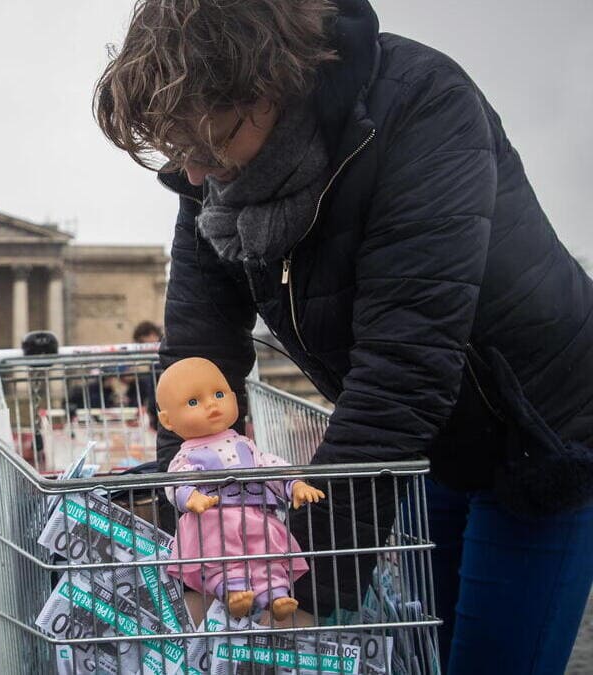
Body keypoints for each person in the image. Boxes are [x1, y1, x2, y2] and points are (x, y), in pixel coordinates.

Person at [95, 1, 593, 672]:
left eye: (202, 143)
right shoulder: (217, 171)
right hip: (429, 439)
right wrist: (187, 521)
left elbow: (403, 365)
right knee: (426, 655)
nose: (189, 171)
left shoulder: (421, 106)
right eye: (178, 147)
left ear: (264, 85)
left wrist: (304, 585)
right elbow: (198, 344)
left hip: (545, 434)